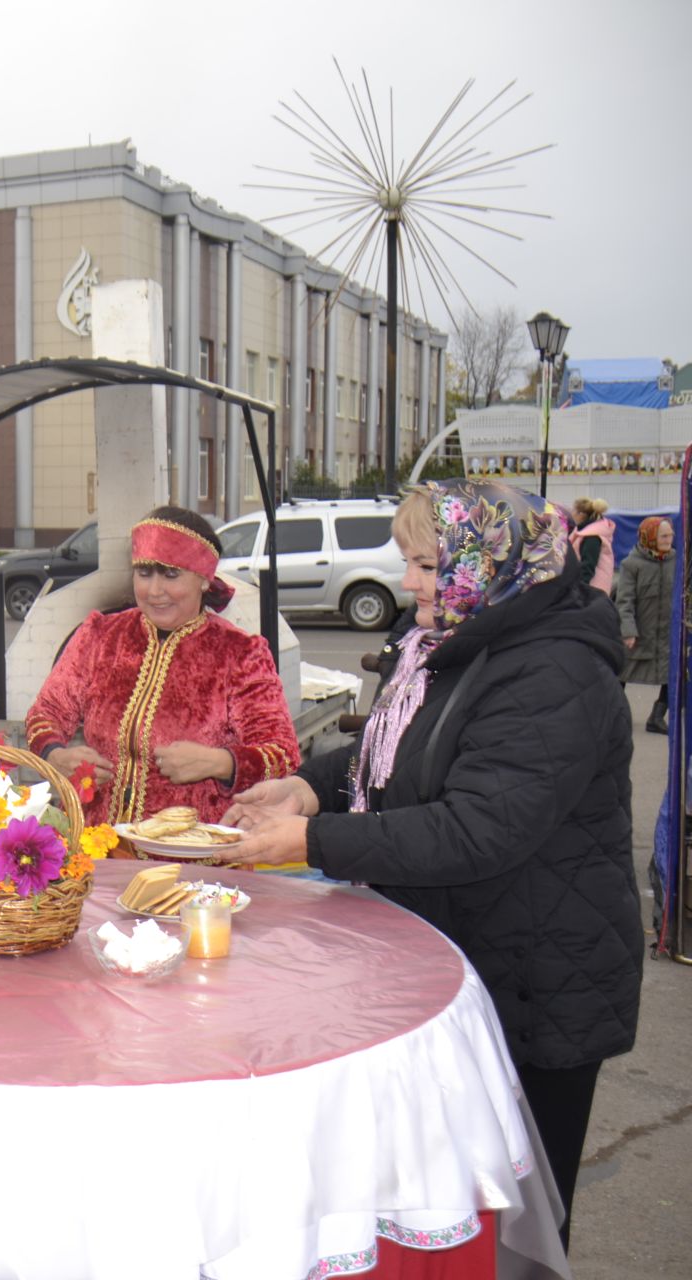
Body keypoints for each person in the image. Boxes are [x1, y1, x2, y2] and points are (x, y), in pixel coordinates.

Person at [223, 480, 642, 1251]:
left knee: (517, 1223)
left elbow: (476, 828)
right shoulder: (461, 640)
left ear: (483, 565)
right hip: (473, 957)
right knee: (444, 1210)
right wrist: (309, 790)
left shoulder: (553, 668)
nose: (408, 582)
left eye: (423, 565)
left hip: (539, 981)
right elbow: (405, 751)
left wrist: (310, 845)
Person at [24, 506, 300, 826]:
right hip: (100, 847)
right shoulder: (99, 636)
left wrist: (220, 763)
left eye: (171, 574)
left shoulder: (240, 654)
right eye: (144, 573)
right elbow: (45, 714)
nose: (155, 591)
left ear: (204, 580)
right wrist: (55, 755)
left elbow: (282, 756)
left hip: (196, 855)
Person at [617, 516, 674, 735]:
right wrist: (628, 630)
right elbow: (625, 600)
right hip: (640, 633)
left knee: (672, 676)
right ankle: (618, 714)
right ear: (649, 537)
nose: (669, 540)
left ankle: (657, 717)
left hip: (667, 632)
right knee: (622, 675)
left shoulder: (676, 560)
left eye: (670, 535)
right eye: (664, 536)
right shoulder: (631, 564)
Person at [568, 497, 615, 596]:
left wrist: (578, 592)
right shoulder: (587, 532)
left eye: (573, 510)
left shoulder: (592, 536)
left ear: (581, 514)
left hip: (592, 590)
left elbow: (588, 566)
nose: (571, 513)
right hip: (594, 588)